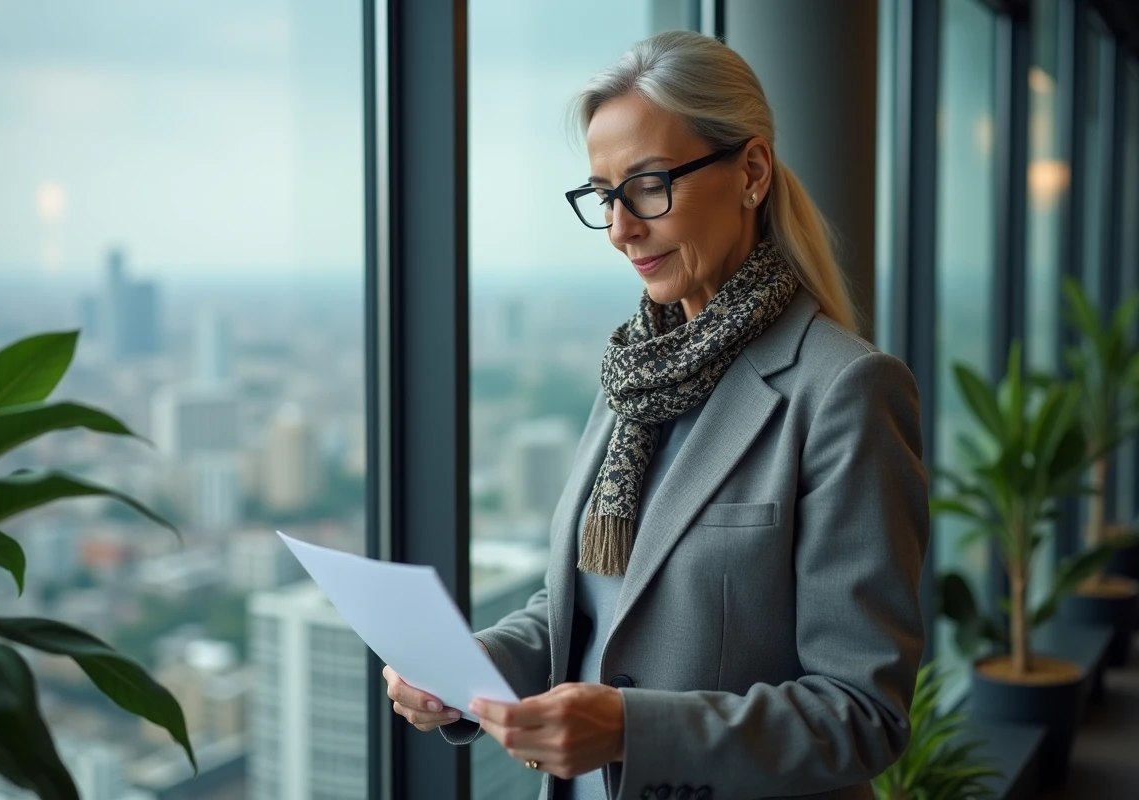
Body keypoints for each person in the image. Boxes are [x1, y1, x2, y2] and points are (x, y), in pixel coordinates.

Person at [382, 30, 929, 800]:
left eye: (647, 185)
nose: (619, 228)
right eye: (604, 195)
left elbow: (863, 714)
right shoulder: (631, 376)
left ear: (751, 172)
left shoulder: (846, 391)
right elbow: (585, 607)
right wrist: (468, 669)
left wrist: (632, 730)